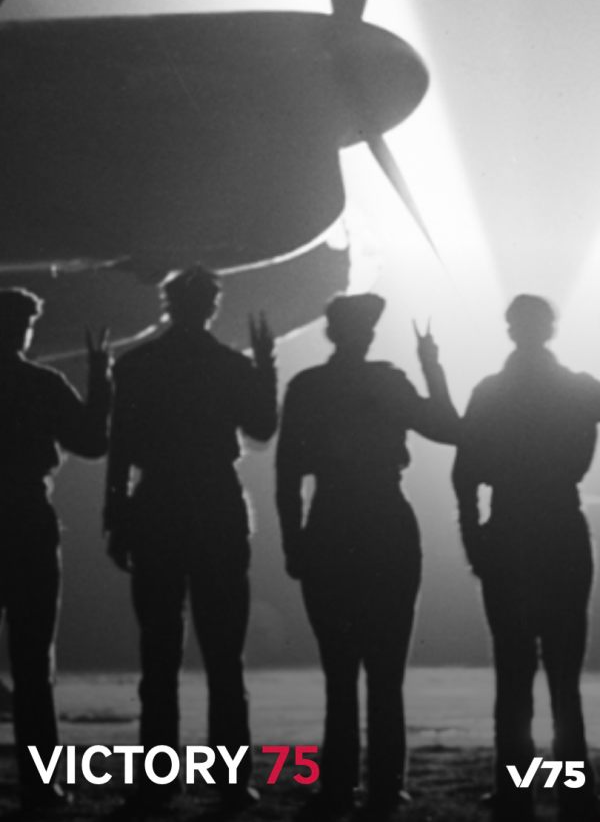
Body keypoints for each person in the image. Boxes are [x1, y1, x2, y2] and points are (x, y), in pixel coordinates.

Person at [275, 293, 458, 820]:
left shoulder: (307, 387)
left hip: (330, 524)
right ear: (368, 334)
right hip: (385, 523)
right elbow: (449, 428)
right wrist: (432, 366)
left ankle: (336, 787)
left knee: (339, 673)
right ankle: (385, 786)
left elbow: (288, 476)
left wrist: (293, 542)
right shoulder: (388, 381)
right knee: (386, 671)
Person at [105, 264, 277, 814]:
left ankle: (158, 779)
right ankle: (230, 779)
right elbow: (262, 429)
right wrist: (265, 368)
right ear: (211, 306)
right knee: (224, 656)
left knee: (158, 654)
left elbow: (120, 446)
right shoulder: (228, 364)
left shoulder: (137, 365)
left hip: (156, 504)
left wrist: (116, 513)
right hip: (216, 505)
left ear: (167, 303)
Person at [453, 294, 600, 822]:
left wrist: (473, 539)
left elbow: (464, 472)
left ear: (511, 330)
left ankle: (515, 789)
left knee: (513, 670)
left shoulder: (489, 392)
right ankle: (573, 789)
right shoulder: (582, 390)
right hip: (561, 526)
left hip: (510, 526)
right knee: (564, 672)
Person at [0, 287, 110, 812]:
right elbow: (91, 443)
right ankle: (40, 785)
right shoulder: (44, 384)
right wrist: (101, 384)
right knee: (33, 661)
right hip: (27, 520)